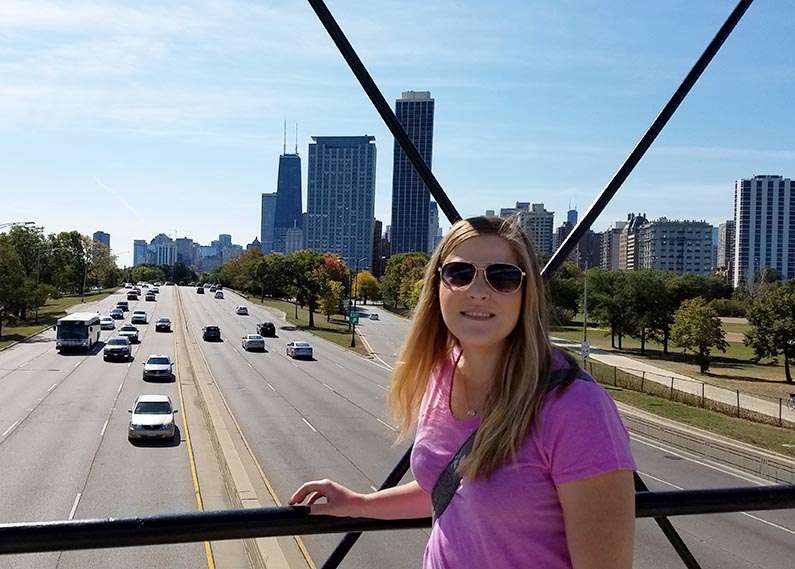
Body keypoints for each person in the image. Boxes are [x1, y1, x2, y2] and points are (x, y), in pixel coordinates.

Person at [290, 216, 636, 568]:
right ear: (438, 284)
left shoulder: (575, 407)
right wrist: (359, 504)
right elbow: (447, 489)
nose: (478, 290)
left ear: (526, 292)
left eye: (502, 277)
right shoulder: (441, 374)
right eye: (460, 274)